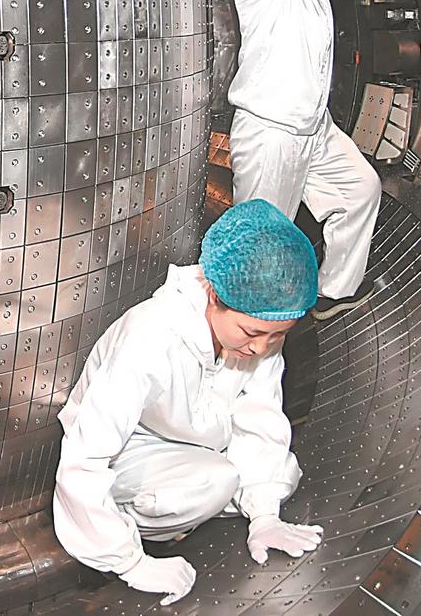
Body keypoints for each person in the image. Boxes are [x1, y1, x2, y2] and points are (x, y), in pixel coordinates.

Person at [52, 200, 323, 606]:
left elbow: (261, 417)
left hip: (196, 441)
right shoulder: (150, 338)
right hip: (132, 449)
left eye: (278, 336)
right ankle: (132, 526)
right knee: (216, 482)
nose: (261, 348)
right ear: (213, 293)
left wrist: (265, 515)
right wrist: (128, 561)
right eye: (252, 332)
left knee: (277, 471)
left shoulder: (257, 334)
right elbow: (84, 459)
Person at [220, 0, 398, 319]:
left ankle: (334, 291)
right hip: (272, 132)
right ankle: (241, 345)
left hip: (311, 127)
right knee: (257, 246)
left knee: (359, 190)